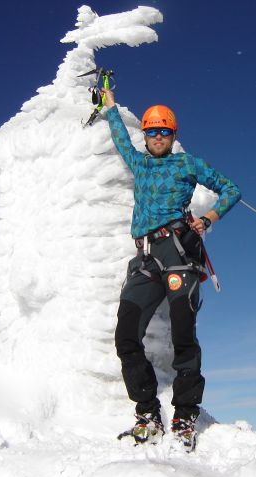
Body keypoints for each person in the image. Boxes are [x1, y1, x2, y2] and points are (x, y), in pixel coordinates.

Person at [102, 88, 241, 450]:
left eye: (164, 131)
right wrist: (109, 104)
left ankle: (184, 416)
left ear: (173, 135)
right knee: (126, 337)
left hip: (178, 251)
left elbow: (230, 189)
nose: (158, 137)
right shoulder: (139, 163)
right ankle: (147, 412)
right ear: (145, 135)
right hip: (145, 259)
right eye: (152, 131)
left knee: (183, 335)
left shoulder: (188, 164)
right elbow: (119, 137)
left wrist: (209, 217)